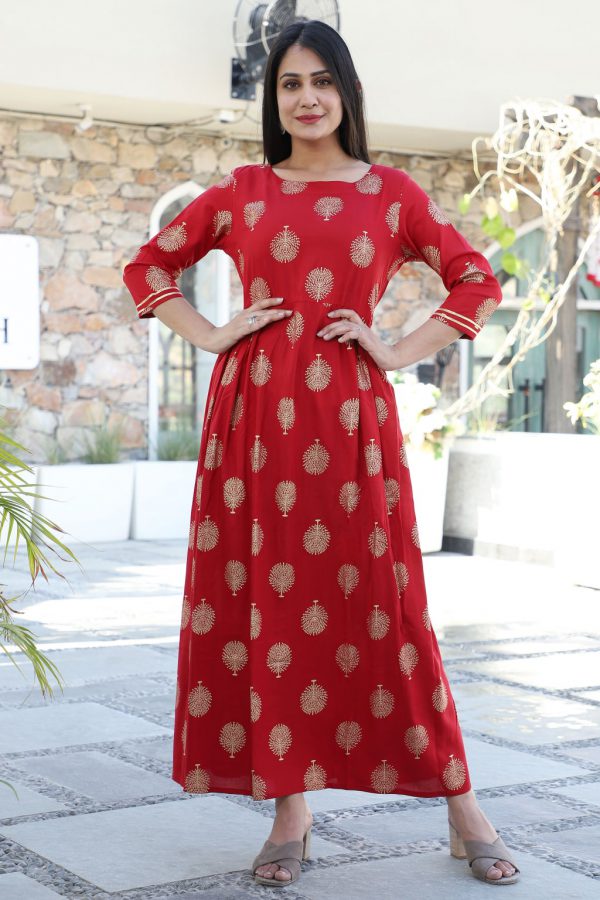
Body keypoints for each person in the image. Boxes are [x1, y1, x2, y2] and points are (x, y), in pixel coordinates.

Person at [122, 19, 520, 890]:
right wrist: (217, 333)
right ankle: (289, 810)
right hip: (254, 426)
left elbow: (477, 278)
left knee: (391, 608)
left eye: (321, 82)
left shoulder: (389, 195)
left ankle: (462, 805)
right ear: (275, 100)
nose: (306, 98)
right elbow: (148, 266)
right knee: (267, 602)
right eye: (290, 84)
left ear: (347, 93)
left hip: (349, 427)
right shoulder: (242, 190)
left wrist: (394, 349)